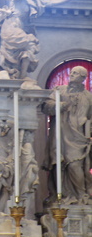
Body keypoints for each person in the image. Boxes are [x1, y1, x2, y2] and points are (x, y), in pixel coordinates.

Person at [0, 0, 74, 79]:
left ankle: (22, 77)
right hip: (11, 27)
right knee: (30, 42)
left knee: (29, 49)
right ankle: (16, 75)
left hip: (22, 28)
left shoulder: (35, 2)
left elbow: (49, 2)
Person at [42, 66, 92, 205]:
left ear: (83, 78)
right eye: (72, 72)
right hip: (60, 133)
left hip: (78, 136)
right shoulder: (59, 90)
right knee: (59, 164)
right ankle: (62, 196)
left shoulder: (88, 96)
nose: (72, 74)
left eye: (76, 73)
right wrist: (58, 105)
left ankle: (81, 196)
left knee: (75, 166)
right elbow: (45, 105)